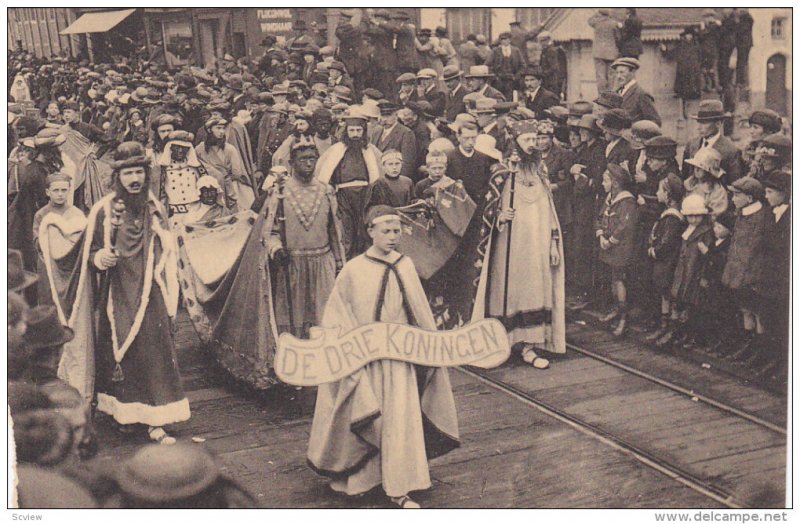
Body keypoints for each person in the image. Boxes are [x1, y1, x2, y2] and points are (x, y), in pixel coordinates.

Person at [307, 205, 460, 509]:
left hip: (400, 359)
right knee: (373, 415)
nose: (392, 237)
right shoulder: (354, 270)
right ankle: (366, 478)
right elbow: (338, 315)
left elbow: (418, 313)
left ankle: (400, 485)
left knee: (399, 418)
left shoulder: (405, 265)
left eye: (396, 231)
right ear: (370, 232)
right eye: (385, 231)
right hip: (369, 361)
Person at [81, 142, 189, 445]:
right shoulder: (103, 210)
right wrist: (99, 258)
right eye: (128, 172)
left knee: (153, 351)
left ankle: (156, 417)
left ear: (146, 174)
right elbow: (88, 252)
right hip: (117, 292)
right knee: (121, 354)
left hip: (149, 290)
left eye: (138, 171)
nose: (134, 179)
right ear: (118, 176)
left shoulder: (154, 208)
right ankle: (125, 414)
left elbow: (168, 249)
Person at [472, 119, 566, 368]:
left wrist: (554, 243)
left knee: (534, 289)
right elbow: (487, 209)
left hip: (537, 244)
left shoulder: (540, 172)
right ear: (515, 143)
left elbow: (550, 211)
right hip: (509, 246)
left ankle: (529, 345)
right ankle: (502, 341)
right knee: (509, 290)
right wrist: (500, 217)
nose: (532, 145)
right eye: (527, 140)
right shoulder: (503, 172)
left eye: (534, 140)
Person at [264, 139, 345, 337]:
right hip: (293, 265)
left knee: (325, 316)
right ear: (291, 163)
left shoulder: (326, 191)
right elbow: (269, 232)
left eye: (312, 159)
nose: (308, 163)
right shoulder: (279, 193)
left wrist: (339, 262)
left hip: (323, 264)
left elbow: (335, 231)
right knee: (294, 323)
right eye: (302, 159)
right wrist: (277, 250)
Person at [32, 173, 94, 401]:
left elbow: (83, 244)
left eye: (64, 190)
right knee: (53, 319)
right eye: (55, 190)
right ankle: (52, 376)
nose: (60, 194)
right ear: (47, 192)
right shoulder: (42, 215)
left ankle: (78, 377)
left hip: (74, 276)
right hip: (50, 274)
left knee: (76, 319)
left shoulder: (77, 214)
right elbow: (38, 243)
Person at [315, 108, 383, 258]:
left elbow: (380, 173)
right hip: (344, 197)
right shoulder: (336, 150)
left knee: (365, 231)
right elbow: (324, 175)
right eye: (352, 131)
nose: (355, 135)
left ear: (364, 131)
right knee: (346, 232)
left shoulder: (371, 151)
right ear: (346, 131)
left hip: (366, 196)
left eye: (359, 130)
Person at [654, 194, 714, 349]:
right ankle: (675, 332)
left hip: (694, 274)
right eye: (690, 216)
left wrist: (704, 276)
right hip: (682, 272)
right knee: (678, 301)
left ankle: (687, 336)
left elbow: (706, 257)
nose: (693, 220)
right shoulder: (687, 229)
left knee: (691, 305)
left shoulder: (705, 232)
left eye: (696, 216)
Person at [721, 177, 769, 362]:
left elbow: (753, 251)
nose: (733, 198)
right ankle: (747, 344)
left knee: (757, 312)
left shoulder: (760, 217)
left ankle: (758, 349)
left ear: (749, 198)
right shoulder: (741, 214)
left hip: (750, 275)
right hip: (737, 272)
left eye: (737, 195)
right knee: (745, 309)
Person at [754, 168, 790, 379]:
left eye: (769, 192)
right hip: (768, 276)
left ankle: (786, 362)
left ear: (783, 193)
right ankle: (774, 358)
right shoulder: (770, 213)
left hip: (783, 279)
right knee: (770, 319)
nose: (766, 197)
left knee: (783, 320)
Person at [596, 163, 639, 337]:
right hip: (609, 247)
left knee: (620, 280)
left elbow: (625, 225)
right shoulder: (609, 199)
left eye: (605, 181)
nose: (603, 184)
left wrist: (610, 241)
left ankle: (623, 317)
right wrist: (600, 235)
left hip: (621, 249)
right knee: (613, 279)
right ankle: (616, 309)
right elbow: (599, 218)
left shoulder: (627, 201)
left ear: (615, 183)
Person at [569, 114, 607, 309]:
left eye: (584, 130)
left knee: (584, 247)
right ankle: (581, 290)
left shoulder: (598, 151)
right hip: (580, 203)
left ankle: (586, 292)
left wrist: (578, 175)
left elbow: (595, 182)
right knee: (579, 246)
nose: (580, 133)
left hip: (590, 205)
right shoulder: (586, 148)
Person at [643, 174, 685, 341]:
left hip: (667, 263)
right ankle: (664, 325)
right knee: (663, 293)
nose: (657, 192)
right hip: (663, 263)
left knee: (668, 293)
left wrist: (654, 250)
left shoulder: (672, 218)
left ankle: (669, 329)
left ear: (668, 195)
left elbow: (667, 242)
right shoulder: (667, 214)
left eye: (661, 190)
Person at [8, 138, 49, 288]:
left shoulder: (30, 169)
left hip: (25, 213)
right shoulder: (21, 168)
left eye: (27, 151)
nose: (23, 154)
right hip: (20, 212)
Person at [195, 117, 252, 213]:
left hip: (228, 187)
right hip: (207, 190)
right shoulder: (199, 149)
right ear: (209, 130)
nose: (221, 132)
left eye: (223, 128)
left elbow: (236, 172)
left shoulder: (230, 149)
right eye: (218, 128)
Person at [682, 100, 742, 185]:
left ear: (718, 124)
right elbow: (685, 176)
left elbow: (734, 184)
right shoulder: (691, 145)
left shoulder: (731, 151)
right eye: (698, 122)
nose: (699, 127)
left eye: (704, 123)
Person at [370, 100, 418, 182]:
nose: (384, 119)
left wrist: (398, 183)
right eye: (383, 115)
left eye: (388, 115)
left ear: (396, 115)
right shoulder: (376, 132)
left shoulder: (406, 133)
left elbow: (407, 164)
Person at [610, 57, 661, 126]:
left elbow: (655, 122)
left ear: (633, 72)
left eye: (622, 72)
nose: (618, 76)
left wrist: (636, 130)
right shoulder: (617, 92)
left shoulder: (641, 94)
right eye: (617, 73)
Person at [682, 148, 730, 219]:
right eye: (695, 166)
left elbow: (715, 215)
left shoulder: (718, 192)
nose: (696, 170)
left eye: (700, 168)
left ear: (709, 171)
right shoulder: (688, 184)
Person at [660, 27, 703, 102]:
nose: (689, 36)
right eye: (687, 35)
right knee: (683, 87)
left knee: (693, 86)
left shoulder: (697, 45)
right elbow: (672, 53)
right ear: (685, 36)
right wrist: (665, 50)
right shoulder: (681, 45)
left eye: (690, 35)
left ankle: (693, 94)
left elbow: (701, 56)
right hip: (683, 69)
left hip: (693, 69)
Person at [588, 9, 620, 94]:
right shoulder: (613, 23)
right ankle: (610, 94)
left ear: (600, 14)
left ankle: (602, 95)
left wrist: (596, 15)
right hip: (611, 53)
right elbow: (618, 38)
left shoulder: (596, 23)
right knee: (611, 75)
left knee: (600, 76)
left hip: (598, 53)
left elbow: (589, 21)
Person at [487, 32, 525, 101]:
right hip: (498, 81)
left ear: (510, 40)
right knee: (498, 99)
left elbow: (523, 65)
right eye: (502, 39)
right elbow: (487, 65)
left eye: (506, 39)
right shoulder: (495, 51)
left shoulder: (516, 50)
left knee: (509, 100)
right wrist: (495, 77)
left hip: (511, 81)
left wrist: (516, 76)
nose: (504, 41)